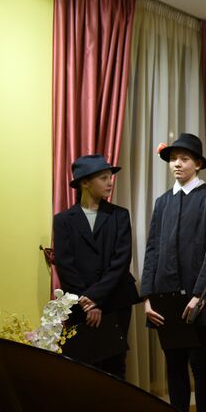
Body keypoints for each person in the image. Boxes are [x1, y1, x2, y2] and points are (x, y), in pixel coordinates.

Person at [141, 133, 206, 412]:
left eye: (184, 158)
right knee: (174, 364)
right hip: (165, 296)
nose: (177, 163)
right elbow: (152, 250)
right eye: (173, 159)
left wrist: (200, 294)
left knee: (200, 363)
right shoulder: (163, 202)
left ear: (198, 164)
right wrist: (147, 298)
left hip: (200, 296)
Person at [53, 154, 139, 379]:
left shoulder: (120, 215)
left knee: (115, 366)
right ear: (85, 182)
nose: (110, 182)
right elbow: (65, 265)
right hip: (79, 303)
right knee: (82, 367)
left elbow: (121, 261)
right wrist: (88, 302)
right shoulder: (63, 220)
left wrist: (96, 298)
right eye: (103, 178)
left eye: (110, 177)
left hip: (116, 300)